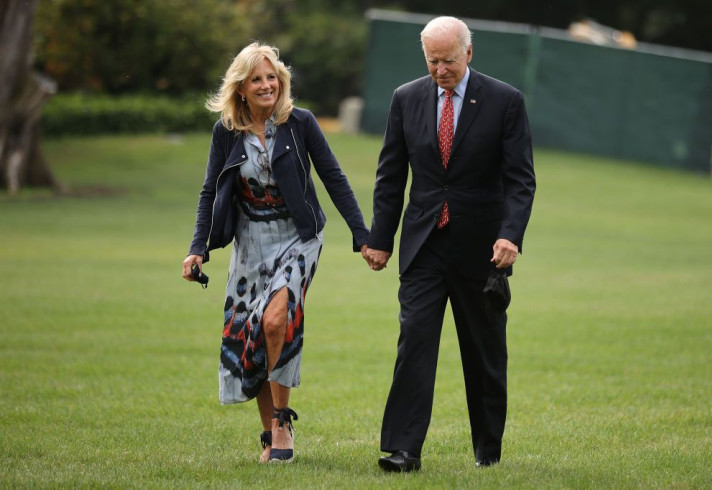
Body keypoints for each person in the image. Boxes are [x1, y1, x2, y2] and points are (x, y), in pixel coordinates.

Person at [362, 16, 536, 471]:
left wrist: (510, 234)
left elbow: (520, 180)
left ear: (469, 53)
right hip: (424, 244)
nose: (441, 69)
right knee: (414, 341)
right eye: (433, 61)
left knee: (483, 351)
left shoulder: (505, 101)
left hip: (483, 248)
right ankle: (403, 450)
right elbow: (390, 175)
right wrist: (381, 238)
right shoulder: (406, 98)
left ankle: (488, 450)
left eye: (449, 60)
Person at [182, 42, 369, 463]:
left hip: (299, 237)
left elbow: (334, 177)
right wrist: (198, 249)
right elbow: (210, 190)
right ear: (241, 88)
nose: (267, 85)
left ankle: (283, 420)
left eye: (272, 77)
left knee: (275, 319)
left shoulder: (299, 123)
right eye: (256, 79)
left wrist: (362, 234)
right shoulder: (225, 132)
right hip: (250, 241)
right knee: (251, 332)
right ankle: (269, 432)